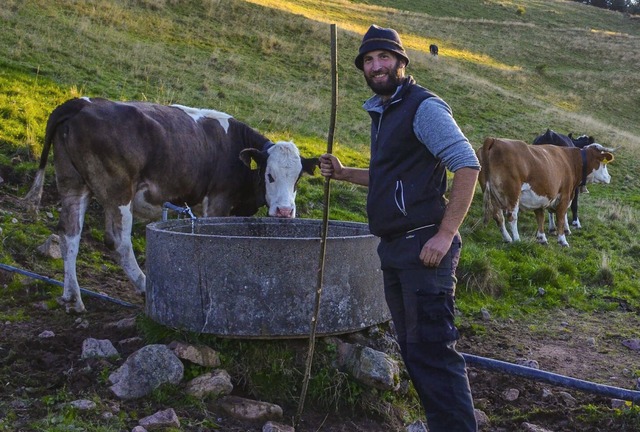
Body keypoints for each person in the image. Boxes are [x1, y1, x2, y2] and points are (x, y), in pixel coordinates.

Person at [319, 25, 479, 432]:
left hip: (424, 245)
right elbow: (392, 177)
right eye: (368, 60)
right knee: (413, 351)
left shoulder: (423, 107)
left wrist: (444, 235)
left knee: (433, 353)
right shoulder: (385, 110)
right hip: (394, 247)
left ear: (401, 62)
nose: (376, 66)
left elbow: (467, 164)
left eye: (384, 57)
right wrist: (344, 174)